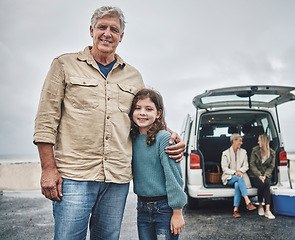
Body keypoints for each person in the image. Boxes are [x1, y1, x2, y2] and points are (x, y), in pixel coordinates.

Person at [33, 6, 185, 240]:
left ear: (121, 37)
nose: (107, 33)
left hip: (116, 179)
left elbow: (142, 120)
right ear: (92, 30)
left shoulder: (133, 76)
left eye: (114, 29)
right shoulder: (64, 65)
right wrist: (48, 169)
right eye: (102, 27)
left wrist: (170, 135)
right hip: (74, 176)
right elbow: (46, 120)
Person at [130, 89, 187, 239]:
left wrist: (177, 212)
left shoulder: (163, 138)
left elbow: (174, 177)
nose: (142, 113)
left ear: (158, 113)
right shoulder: (132, 138)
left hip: (164, 208)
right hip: (142, 207)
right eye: (138, 108)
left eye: (149, 109)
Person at [221, 134, 256, 218]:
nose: (241, 143)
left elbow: (246, 166)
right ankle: (247, 201)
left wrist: (240, 171)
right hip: (229, 177)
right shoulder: (225, 153)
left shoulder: (244, 152)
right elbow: (224, 168)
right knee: (239, 178)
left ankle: (235, 210)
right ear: (234, 141)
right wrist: (235, 172)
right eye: (240, 141)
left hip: (241, 176)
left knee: (237, 185)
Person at [248, 133, 276, 219]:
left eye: (259, 140)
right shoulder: (255, 150)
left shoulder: (272, 153)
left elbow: (271, 166)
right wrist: (259, 175)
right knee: (262, 183)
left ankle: (267, 210)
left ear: (264, 142)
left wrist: (265, 176)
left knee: (266, 183)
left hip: (265, 176)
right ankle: (260, 205)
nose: (258, 142)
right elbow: (252, 165)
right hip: (254, 175)